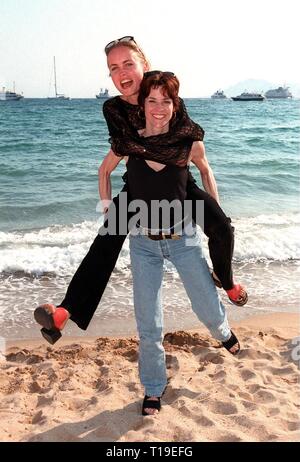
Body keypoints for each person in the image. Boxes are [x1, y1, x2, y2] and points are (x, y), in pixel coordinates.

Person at [34, 36, 247, 345]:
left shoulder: (165, 93)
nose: (122, 72)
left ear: (144, 66)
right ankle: (63, 314)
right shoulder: (112, 109)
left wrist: (143, 146)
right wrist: (107, 202)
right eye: (113, 67)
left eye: (128, 63)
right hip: (137, 188)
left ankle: (227, 282)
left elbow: (186, 140)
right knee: (104, 243)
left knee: (222, 227)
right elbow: (124, 152)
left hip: (179, 185)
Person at [100, 70, 240, 416]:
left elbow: (206, 172)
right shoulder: (129, 140)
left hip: (184, 238)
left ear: (175, 105)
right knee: (148, 323)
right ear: (142, 105)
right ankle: (153, 387)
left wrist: (214, 212)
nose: (159, 107)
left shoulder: (187, 141)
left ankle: (223, 332)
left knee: (207, 307)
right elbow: (103, 172)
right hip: (143, 245)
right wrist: (108, 213)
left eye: (167, 100)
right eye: (152, 100)